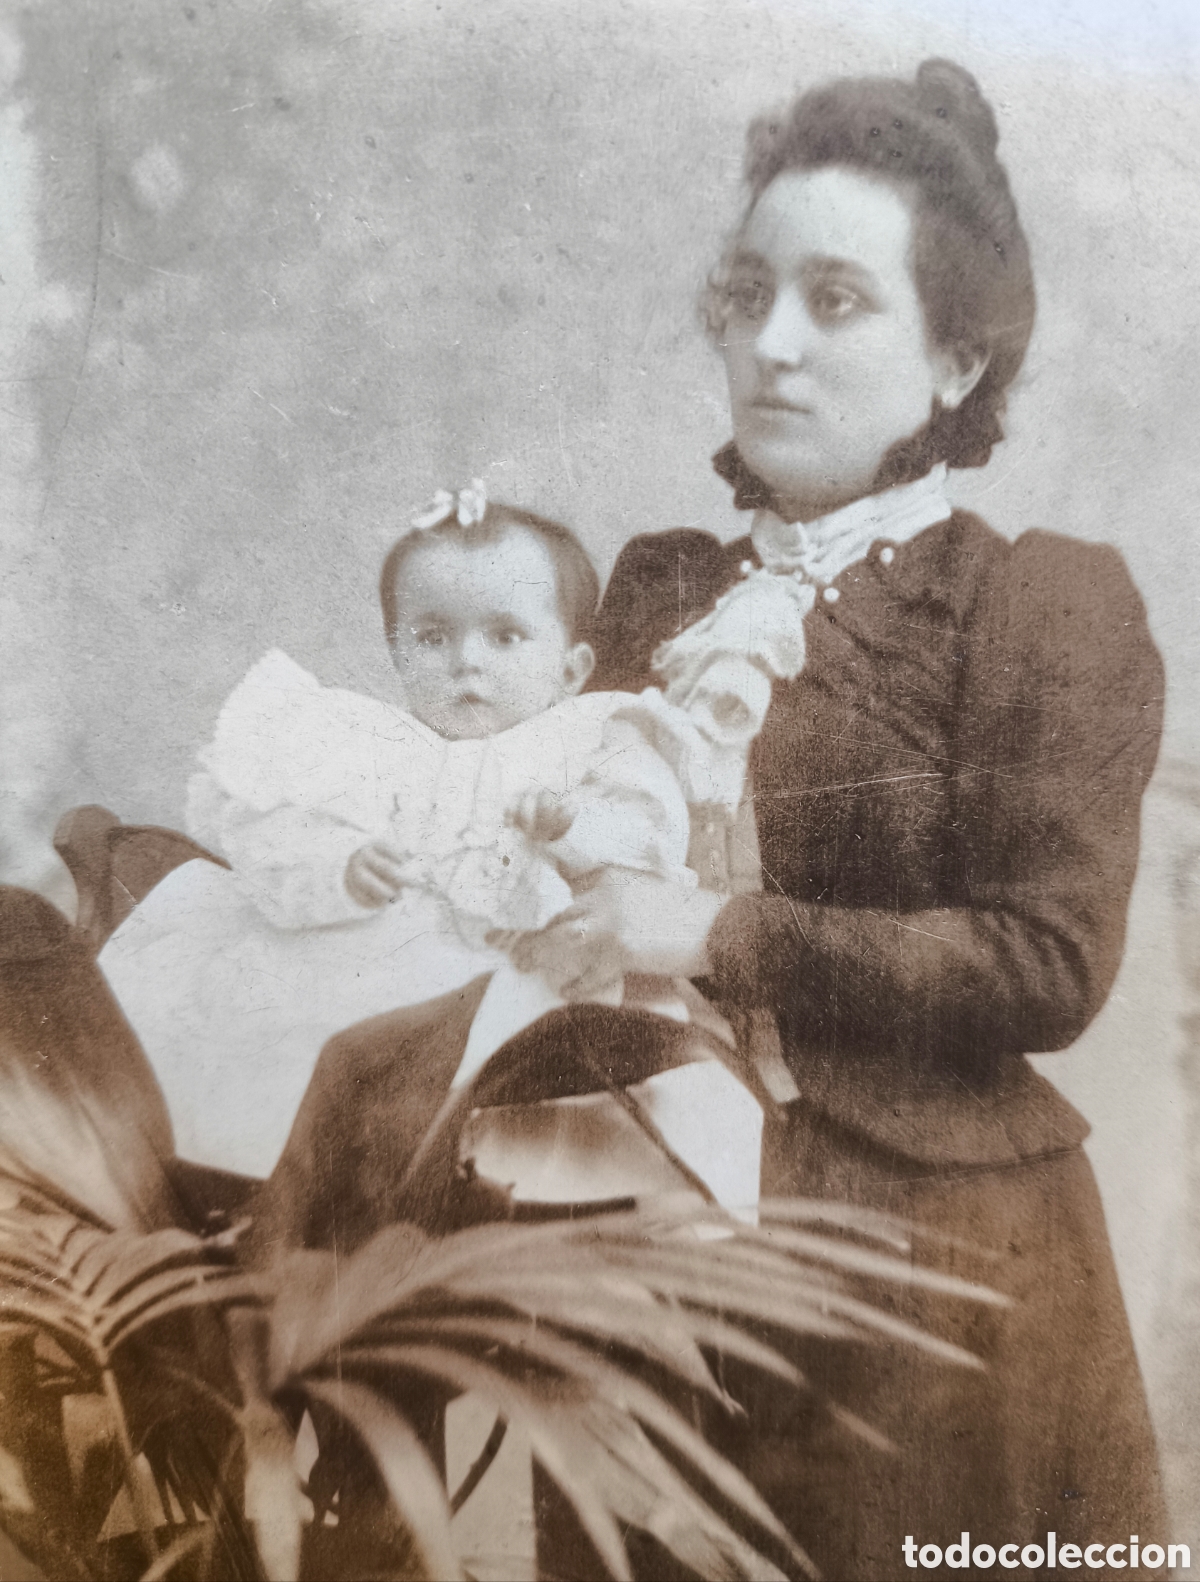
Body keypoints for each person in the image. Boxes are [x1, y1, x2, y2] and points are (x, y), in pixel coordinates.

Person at [511, 58, 1169, 1579]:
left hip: (931, 1282)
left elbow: (1045, 963)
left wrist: (721, 929)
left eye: (837, 301)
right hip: (646, 1251)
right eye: (749, 295)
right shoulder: (663, 588)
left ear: (955, 360)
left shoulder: (1035, 600)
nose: (773, 347)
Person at [99, 486, 805, 1216]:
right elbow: (282, 848)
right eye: (434, 638)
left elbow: (649, 840)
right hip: (365, 985)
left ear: (570, 667)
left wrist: (571, 827)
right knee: (251, 1018)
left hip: (532, 978)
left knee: (608, 1117)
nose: (467, 664)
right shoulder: (368, 748)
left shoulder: (594, 735)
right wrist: (344, 869)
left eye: (504, 637)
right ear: (398, 651)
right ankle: (254, 1190)